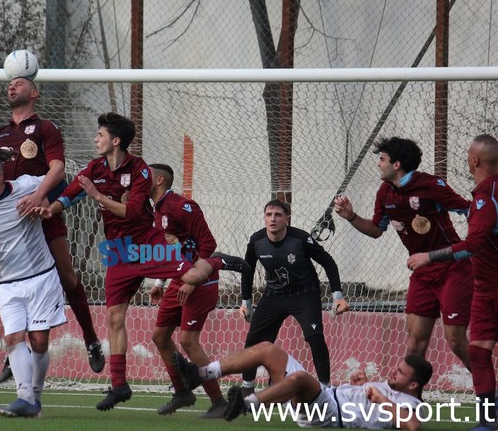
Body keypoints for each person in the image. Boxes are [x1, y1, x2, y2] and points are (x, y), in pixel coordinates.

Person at [26, 112, 250, 411]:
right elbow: (70, 194)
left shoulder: (141, 170)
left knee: (195, 275)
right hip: (118, 253)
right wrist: (51, 209)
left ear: (115, 141)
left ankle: (219, 263)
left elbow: (132, 213)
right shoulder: (95, 167)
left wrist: (98, 196)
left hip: (147, 246)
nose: (96, 139)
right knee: (115, 318)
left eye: (100, 134)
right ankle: (119, 385)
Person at [0, 75, 103, 380]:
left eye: (18, 83)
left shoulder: (46, 128)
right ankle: (16, 352)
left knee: (68, 276)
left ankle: (91, 339)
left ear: (34, 92)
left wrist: (39, 195)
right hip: (9, 221)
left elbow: (58, 168)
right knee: (13, 282)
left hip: (41, 213)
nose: (10, 87)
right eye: (9, 83)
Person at [334, 137, 472, 371]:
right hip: (422, 272)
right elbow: (377, 230)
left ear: (396, 164)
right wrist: (351, 216)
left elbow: (468, 210)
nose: (378, 164)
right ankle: (411, 401)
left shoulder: (431, 185)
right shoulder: (385, 192)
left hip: (452, 270)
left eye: (382, 159)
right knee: (415, 343)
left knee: (456, 340)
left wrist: (477, 244)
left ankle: (491, 388)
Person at [0, 155, 67, 418]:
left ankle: (36, 397)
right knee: (13, 339)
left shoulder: (26, 186)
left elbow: (62, 183)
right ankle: (24, 398)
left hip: (41, 276)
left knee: (40, 341)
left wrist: (42, 199)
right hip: (7, 283)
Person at [407, 134, 498, 431]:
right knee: (478, 351)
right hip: (484, 290)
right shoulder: (484, 193)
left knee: (477, 350)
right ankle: (488, 420)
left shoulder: (487, 197)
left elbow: (472, 244)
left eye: (468, 154)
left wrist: (429, 257)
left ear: (474, 160)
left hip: (493, 288)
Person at [173, 342, 432, 430]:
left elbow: (413, 425)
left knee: (299, 380)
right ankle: (202, 373)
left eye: (400, 373)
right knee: (268, 349)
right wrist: (362, 387)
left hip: (329, 413)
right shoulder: (392, 388)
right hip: (325, 395)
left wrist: (380, 399)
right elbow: (370, 400)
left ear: (413, 384)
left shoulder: (412, 404)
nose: (393, 372)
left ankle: (246, 404)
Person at [239, 199, 349, 394]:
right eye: (269, 215)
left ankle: (325, 389)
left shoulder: (301, 239)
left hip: (304, 294)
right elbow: (248, 270)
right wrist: (245, 301)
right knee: (254, 341)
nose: (273, 219)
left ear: (287, 219)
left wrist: (338, 296)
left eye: (278, 215)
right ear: (264, 218)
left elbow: (329, 263)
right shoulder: (256, 241)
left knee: (315, 337)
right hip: (274, 294)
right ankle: (247, 389)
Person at [147, 163, 227, 418]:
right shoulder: (156, 210)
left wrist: (193, 279)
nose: (139, 180)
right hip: (178, 281)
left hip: (200, 281)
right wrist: (160, 283)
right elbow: (173, 249)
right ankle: (182, 392)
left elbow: (208, 243)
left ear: (159, 180)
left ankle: (218, 402)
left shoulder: (182, 206)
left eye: (144, 176)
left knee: (188, 341)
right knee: (159, 337)